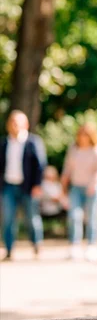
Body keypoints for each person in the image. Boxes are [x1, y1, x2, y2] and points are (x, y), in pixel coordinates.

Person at [0, 110, 46, 260]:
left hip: (28, 187)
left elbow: (40, 165)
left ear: (25, 124)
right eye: (12, 122)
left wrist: (37, 185)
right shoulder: (4, 143)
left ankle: (36, 244)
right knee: (8, 219)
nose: (14, 126)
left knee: (32, 218)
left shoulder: (33, 142)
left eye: (17, 122)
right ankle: (8, 249)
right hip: (9, 186)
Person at [61, 122, 97, 261]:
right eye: (81, 134)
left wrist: (94, 183)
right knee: (74, 216)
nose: (83, 137)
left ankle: (92, 245)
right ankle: (75, 244)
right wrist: (63, 185)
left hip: (93, 188)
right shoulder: (74, 149)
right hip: (76, 187)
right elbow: (67, 168)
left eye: (86, 134)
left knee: (92, 217)